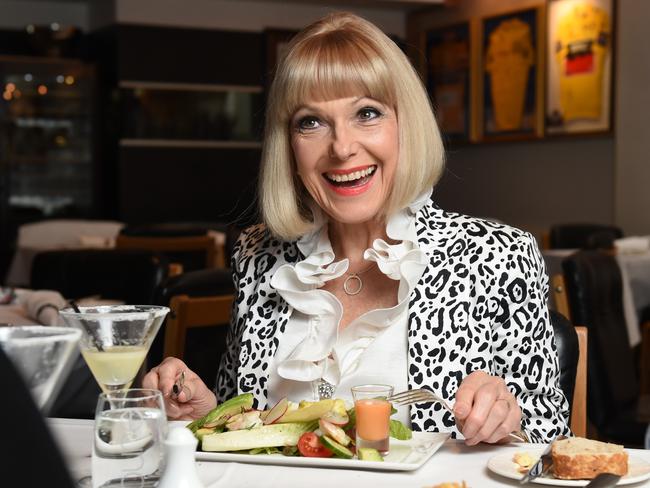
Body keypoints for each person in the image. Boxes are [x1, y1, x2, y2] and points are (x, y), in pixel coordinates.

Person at [144, 12, 570, 445]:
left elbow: (551, 436)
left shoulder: (497, 255)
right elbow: (251, 425)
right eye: (310, 122)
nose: (342, 147)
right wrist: (205, 413)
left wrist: (506, 417)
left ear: (407, 124)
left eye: (367, 113)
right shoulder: (257, 255)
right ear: (288, 145)